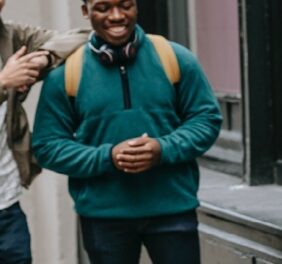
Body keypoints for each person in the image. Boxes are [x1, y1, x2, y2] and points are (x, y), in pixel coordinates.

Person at [32, 0, 222, 263]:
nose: (117, 16)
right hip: (103, 219)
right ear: (85, 11)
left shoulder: (175, 58)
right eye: (103, 8)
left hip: (173, 210)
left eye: (125, 5)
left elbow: (207, 119)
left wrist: (162, 149)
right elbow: (47, 145)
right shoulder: (65, 74)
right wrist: (108, 157)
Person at [0, 0, 88, 263]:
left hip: (7, 207)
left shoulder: (11, 36)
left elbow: (85, 37)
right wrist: (3, 83)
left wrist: (44, 56)